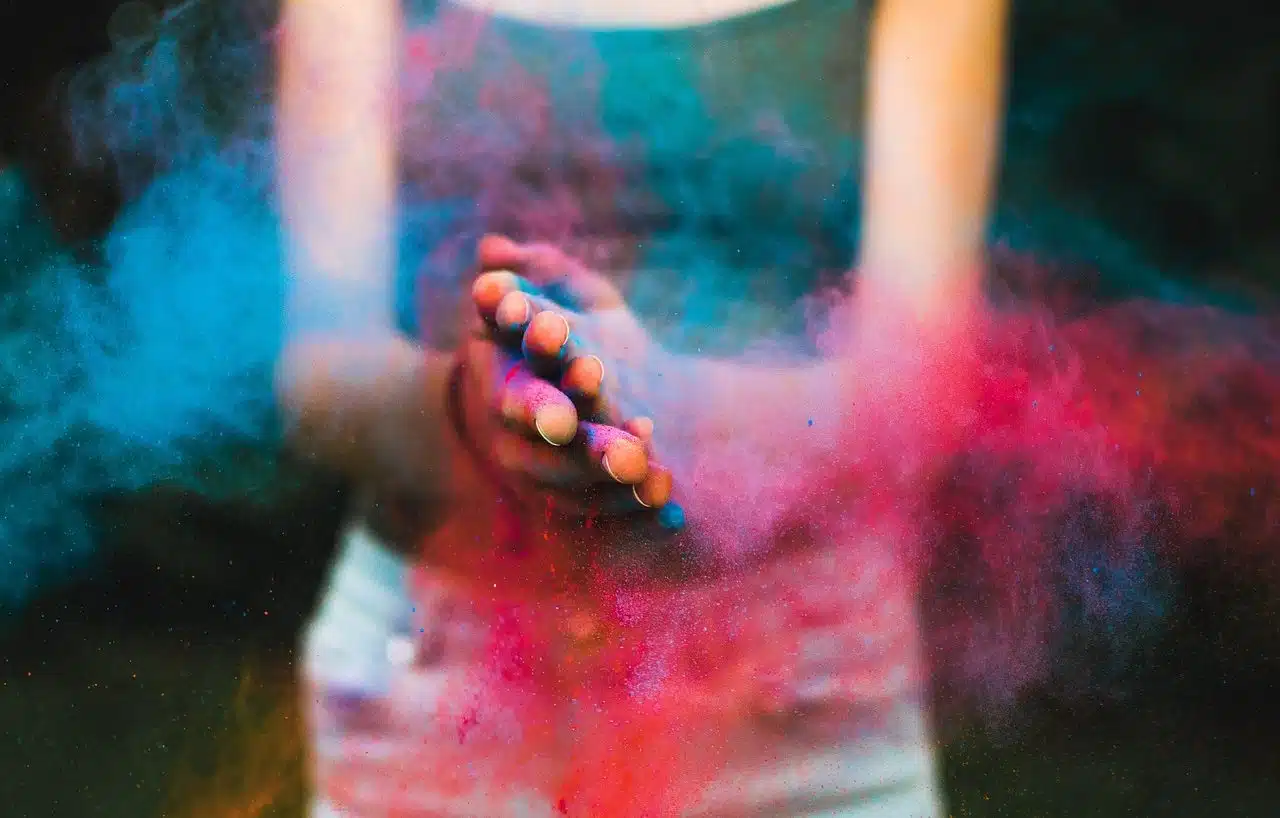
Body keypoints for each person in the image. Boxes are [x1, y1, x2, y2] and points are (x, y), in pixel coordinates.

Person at [277, 0, 1009, 814]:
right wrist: (473, 411)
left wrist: (670, 405)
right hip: (437, 707)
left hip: (795, 708)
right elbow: (322, 378)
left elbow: (917, 399)